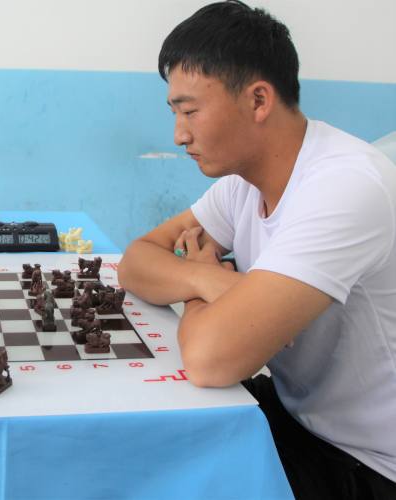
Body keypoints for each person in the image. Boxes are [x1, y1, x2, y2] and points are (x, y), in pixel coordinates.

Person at [117, 2, 396, 498]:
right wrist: (211, 279)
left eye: (190, 111)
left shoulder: (345, 186)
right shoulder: (242, 183)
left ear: (259, 100)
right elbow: (137, 259)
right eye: (175, 113)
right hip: (297, 415)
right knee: (142, 437)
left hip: (366, 462)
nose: (179, 135)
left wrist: (197, 284)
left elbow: (210, 360)